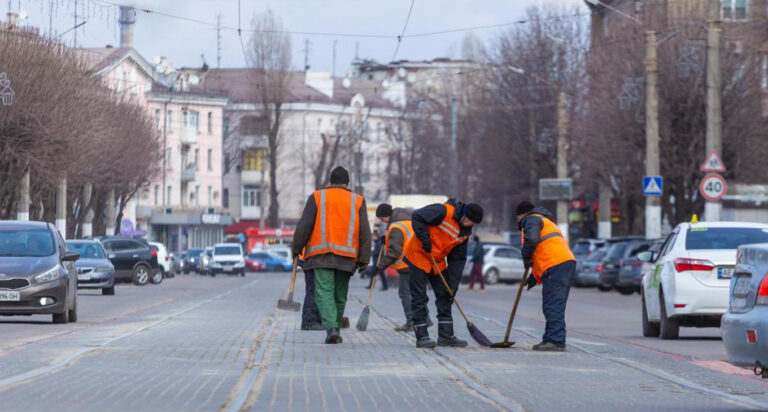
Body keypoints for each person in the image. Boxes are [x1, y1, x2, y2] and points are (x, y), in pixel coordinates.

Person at [292, 166, 372, 344]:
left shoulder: (317, 197)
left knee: (324, 292)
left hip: (321, 255)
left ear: (330, 180)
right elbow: (365, 232)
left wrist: (296, 249)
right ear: (347, 182)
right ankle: (334, 325)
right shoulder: (358, 200)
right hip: (347, 257)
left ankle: (332, 329)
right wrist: (364, 259)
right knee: (340, 293)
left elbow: (304, 225)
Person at [404, 199, 484, 348]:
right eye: (470, 221)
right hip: (418, 256)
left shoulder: (465, 233)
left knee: (445, 295)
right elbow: (417, 217)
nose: (470, 225)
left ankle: (446, 336)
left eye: (473, 223)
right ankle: (422, 337)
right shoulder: (443, 211)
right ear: (464, 215)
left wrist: (452, 286)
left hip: (437, 262)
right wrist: (424, 239)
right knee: (419, 297)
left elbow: (457, 259)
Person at [516, 201, 576, 352]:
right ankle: (553, 339)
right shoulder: (544, 220)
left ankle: (555, 341)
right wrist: (533, 278)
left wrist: (525, 256)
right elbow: (542, 252)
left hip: (556, 264)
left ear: (521, 215)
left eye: (517, 218)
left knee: (552, 304)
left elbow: (532, 240)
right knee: (554, 304)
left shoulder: (532, 219)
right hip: (562, 263)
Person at [376, 206, 418, 332]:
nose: (382, 221)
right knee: (416, 293)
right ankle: (424, 319)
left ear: (386, 215)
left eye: (381, 218)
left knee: (405, 294)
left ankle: (412, 322)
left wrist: (380, 266)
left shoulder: (396, 227)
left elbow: (394, 251)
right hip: (417, 262)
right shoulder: (408, 221)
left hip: (406, 264)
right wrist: (387, 239)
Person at [366, 204, 391, 291]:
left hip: (380, 245)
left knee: (377, 268)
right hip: (378, 245)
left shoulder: (384, 223)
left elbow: (380, 233)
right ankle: (373, 285)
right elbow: (375, 233)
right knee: (376, 269)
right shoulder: (379, 222)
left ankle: (382, 285)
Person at [298, 251, 323, 331]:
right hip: (311, 258)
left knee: (317, 290)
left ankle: (317, 320)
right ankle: (309, 321)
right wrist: (296, 251)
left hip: (314, 258)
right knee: (313, 290)